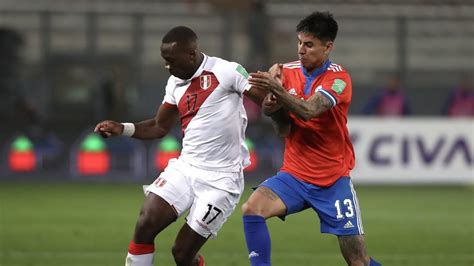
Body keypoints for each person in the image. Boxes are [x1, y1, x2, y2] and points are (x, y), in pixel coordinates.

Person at [94, 26, 263, 266]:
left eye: (171, 61)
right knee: (145, 223)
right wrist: (122, 128)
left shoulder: (226, 71)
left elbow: (265, 100)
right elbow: (159, 126)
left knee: (182, 253)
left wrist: (276, 94)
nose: (168, 67)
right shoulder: (175, 83)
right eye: (165, 61)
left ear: (191, 54)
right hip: (186, 168)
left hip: (221, 180)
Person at [241, 12, 380, 266]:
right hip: (295, 175)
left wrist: (276, 91)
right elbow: (283, 129)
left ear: (328, 47)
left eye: (309, 44)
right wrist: (272, 106)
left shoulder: (339, 80)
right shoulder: (285, 72)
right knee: (252, 209)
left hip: (332, 180)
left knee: (357, 260)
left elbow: (309, 110)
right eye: (299, 43)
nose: (301, 50)